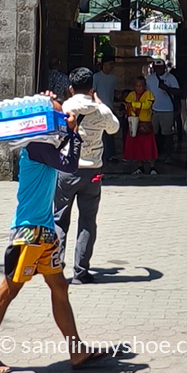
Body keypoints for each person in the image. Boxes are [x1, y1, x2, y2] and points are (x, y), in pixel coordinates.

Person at [0, 94, 109, 373]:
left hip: (44, 232)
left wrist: (67, 127)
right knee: (9, 288)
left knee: (59, 287)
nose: (63, 120)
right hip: (28, 233)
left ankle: (76, 350)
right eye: (58, 116)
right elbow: (69, 164)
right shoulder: (36, 147)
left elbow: (63, 153)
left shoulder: (42, 146)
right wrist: (74, 133)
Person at [54, 67, 120, 284]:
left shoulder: (65, 107)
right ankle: (81, 271)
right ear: (92, 89)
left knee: (59, 219)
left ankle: (55, 268)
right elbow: (114, 128)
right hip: (92, 170)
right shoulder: (101, 110)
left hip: (66, 169)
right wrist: (100, 103)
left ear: (71, 88)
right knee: (88, 221)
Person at [145, 59, 179, 160]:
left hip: (167, 109)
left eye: (161, 67)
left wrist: (167, 88)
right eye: (157, 67)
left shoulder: (171, 77)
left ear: (164, 67)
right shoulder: (149, 78)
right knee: (154, 133)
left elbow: (178, 91)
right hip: (154, 109)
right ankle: (155, 153)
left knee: (167, 134)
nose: (159, 69)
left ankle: (168, 155)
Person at [123, 76, 157, 175]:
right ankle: (140, 166)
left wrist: (134, 104)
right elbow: (127, 105)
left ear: (144, 86)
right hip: (134, 123)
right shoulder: (131, 95)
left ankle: (152, 167)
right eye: (137, 86)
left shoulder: (148, 94)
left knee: (148, 146)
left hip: (145, 123)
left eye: (140, 86)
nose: (138, 88)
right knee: (137, 146)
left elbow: (147, 105)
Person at [91, 59, 119, 163]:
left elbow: (114, 92)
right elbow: (93, 91)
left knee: (110, 132)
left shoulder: (113, 78)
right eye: (109, 64)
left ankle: (110, 155)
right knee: (99, 133)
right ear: (103, 64)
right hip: (98, 108)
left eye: (112, 64)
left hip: (109, 108)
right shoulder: (96, 77)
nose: (111, 66)